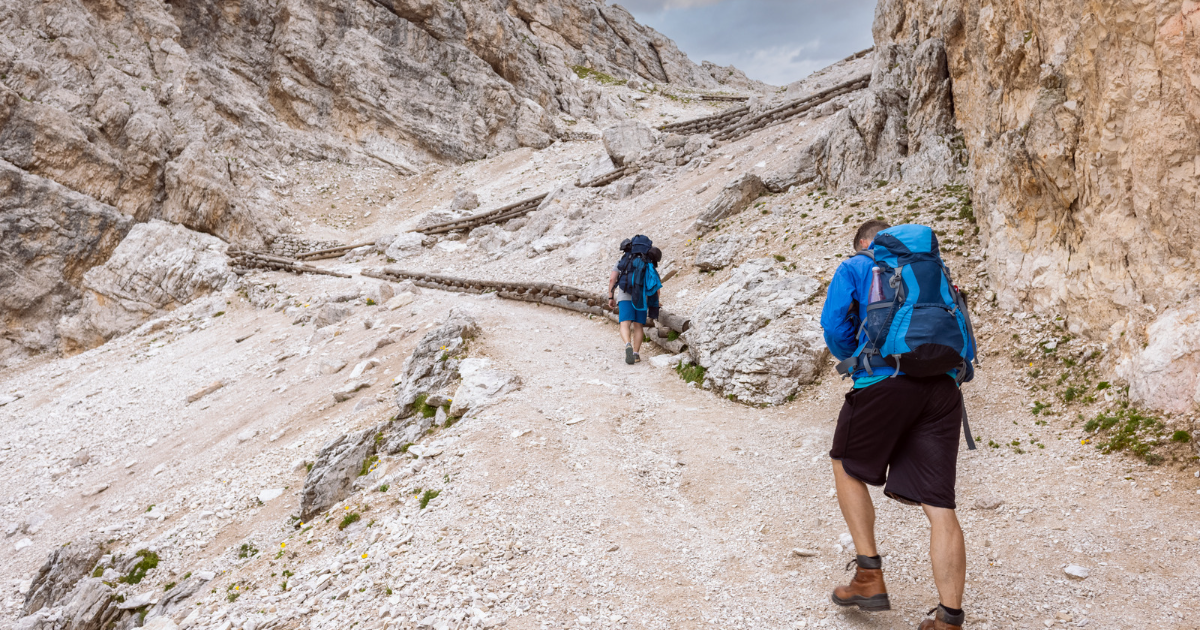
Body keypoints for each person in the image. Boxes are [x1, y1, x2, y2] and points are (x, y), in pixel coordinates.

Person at [819, 220, 968, 630]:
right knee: (939, 505)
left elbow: (833, 327)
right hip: (942, 388)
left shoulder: (857, 266)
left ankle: (868, 577)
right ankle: (949, 618)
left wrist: (861, 360)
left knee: (845, 464)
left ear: (866, 242)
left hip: (885, 382)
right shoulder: (935, 268)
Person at [608, 236, 660, 365]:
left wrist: (611, 296)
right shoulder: (647, 261)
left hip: (625, 295)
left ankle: (627, 344)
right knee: (638, 326)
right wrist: (656, 300)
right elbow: (654, 282)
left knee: (624, 324)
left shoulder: (624, 259)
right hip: (641, 297)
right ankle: (636, 354)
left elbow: (612, 279)